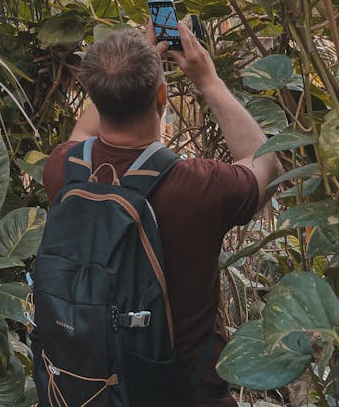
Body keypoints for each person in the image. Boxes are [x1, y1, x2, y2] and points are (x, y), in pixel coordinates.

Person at [42, 22, 282, 407]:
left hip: (88, 383)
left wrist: (121, 74)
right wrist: (209, 81)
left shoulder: (63, 170)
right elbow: (266, 162)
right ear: (162, 96)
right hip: (183, 389)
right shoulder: (197, 187)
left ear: (94, 96)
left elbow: (80, 137)